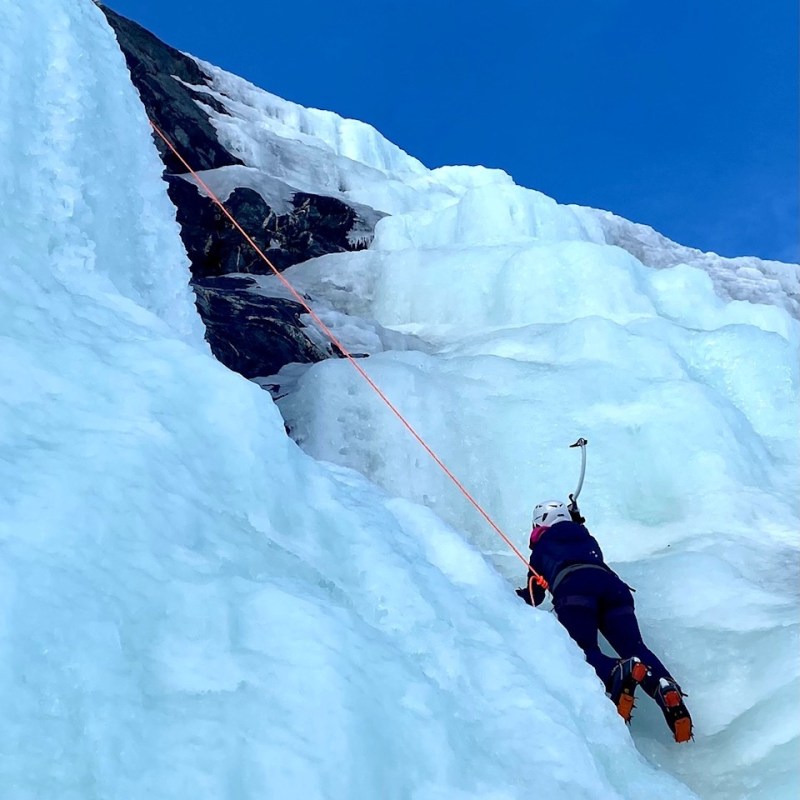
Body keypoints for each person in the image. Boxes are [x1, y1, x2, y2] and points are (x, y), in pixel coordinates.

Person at [515, 500, 692, 743]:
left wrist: (514, 595)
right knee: (636, 647)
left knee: (583, 650)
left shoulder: (541, 548)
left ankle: (616, 671)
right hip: (613, 588)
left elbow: (535, 597)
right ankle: (665, 687)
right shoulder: (587, 538)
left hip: (574, 588)